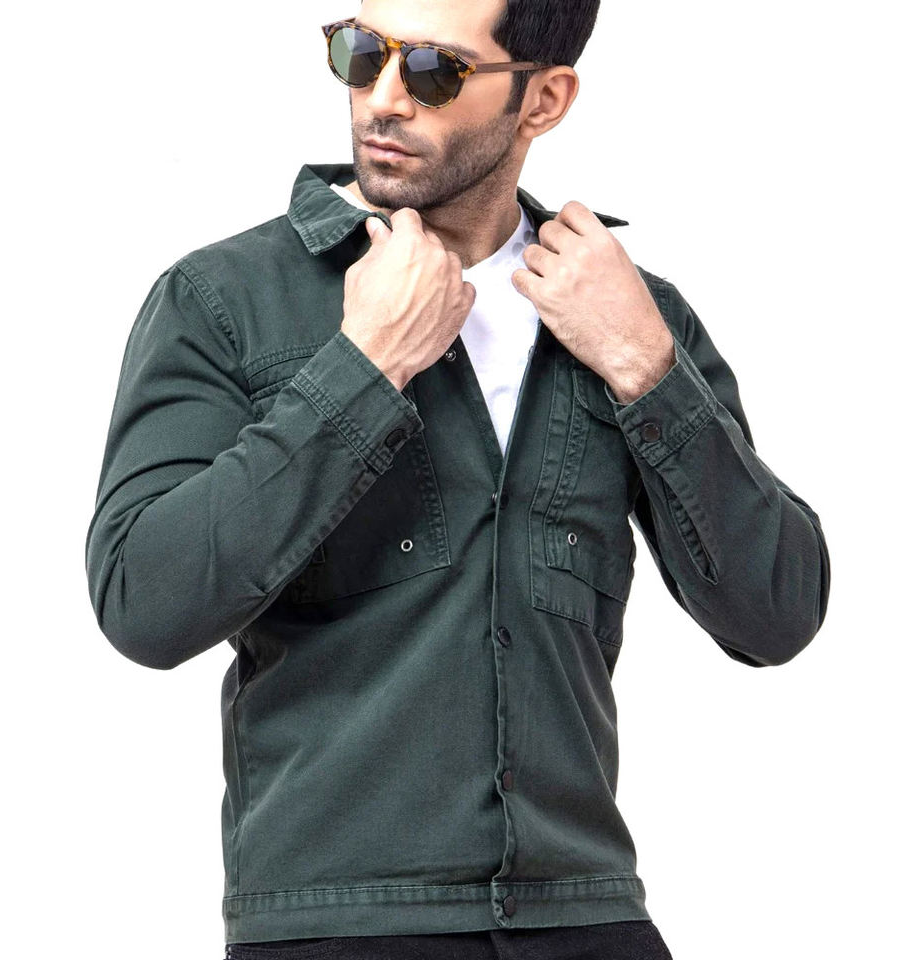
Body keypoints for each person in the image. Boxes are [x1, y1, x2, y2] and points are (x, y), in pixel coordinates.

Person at [84, 1, 831, 958]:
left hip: (587, 918)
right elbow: (143, 604)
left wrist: (646, 369)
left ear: (543, 99)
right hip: (339, 927)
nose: (383, 99)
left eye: (436, 70)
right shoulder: (222, 300)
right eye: (362, 53)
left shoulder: (632, 313)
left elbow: (778, 614)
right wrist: (362, 368)